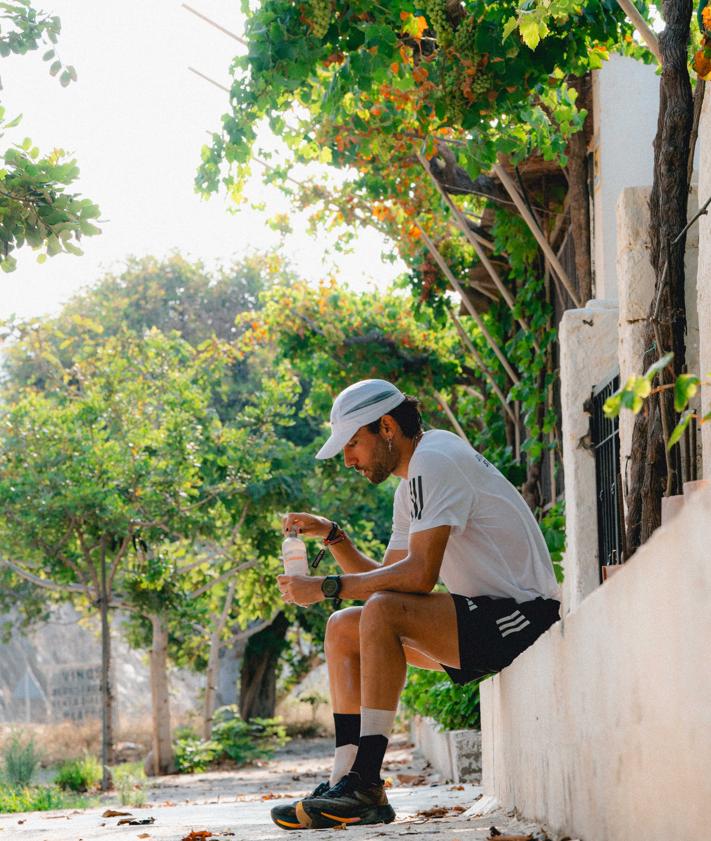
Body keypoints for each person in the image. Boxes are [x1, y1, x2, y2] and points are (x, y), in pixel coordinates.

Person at [271, 379, 560, 830]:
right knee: (345, 626)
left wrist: (325, 585)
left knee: (377, 611)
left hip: (522, 616)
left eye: (352, 445)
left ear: (386, 426)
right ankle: (345, 779)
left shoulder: (435, 461)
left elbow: (419, 576)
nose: (348, 461)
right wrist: (334, 536)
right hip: (481, 617)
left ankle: (367, 781)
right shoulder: (411, 485)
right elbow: (388, 583)